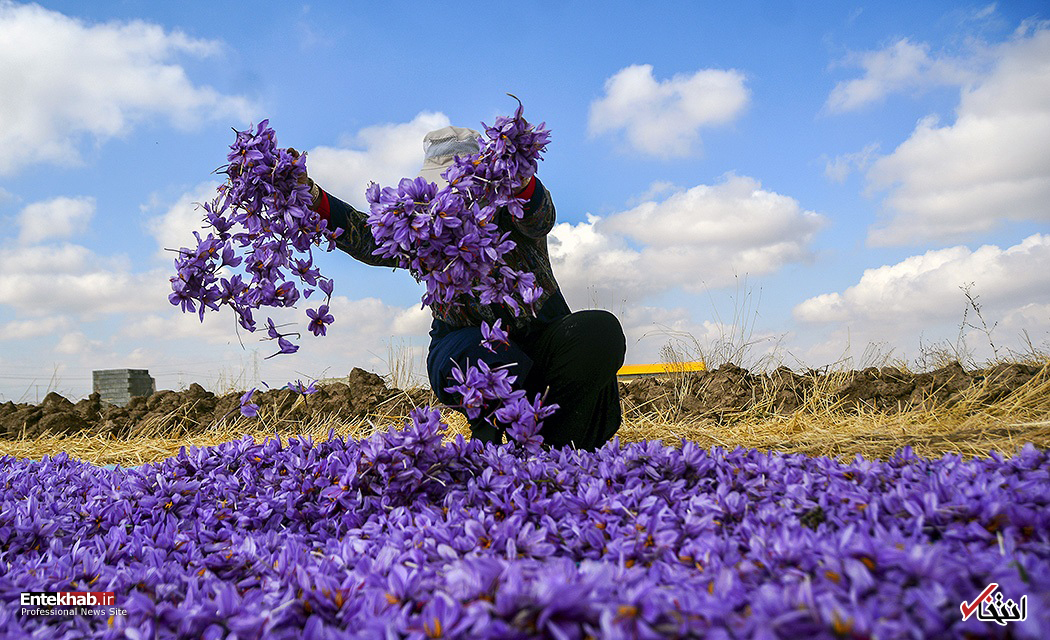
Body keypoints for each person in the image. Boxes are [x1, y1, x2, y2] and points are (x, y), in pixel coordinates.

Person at [301, 125, 626, 451]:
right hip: (467, 347)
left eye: (462, 182)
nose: (454, 194)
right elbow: (368, 236)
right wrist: (311, 196)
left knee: (599, 330)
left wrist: (521, 180)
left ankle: (552, 452)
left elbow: (540, 217)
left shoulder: (509, 206)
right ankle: (491, 446)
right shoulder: (425, 224)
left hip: (541, 342)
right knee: (483, 350)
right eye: (445, 185)